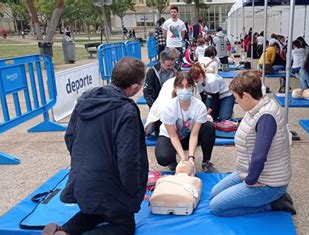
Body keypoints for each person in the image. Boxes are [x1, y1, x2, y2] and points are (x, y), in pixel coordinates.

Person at [42, 58, 148, 235]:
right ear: (135, 87)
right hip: (110, 183)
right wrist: (133, 190)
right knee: (123, 225)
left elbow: (69, 137)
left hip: (82, 180)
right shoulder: (126, 110)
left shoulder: (87, 99)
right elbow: (128, 159)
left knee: (94, 212)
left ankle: (64, 231)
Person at [209, 71, 295, 216]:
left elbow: (259, 156)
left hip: (268, 183)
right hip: (250, 171)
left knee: (216, 207)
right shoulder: (257, 106)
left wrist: (250, 181)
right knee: (214, 193)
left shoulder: (266, 117)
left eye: (237, 98)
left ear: (246, 96)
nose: (236, 102)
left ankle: (274, 203)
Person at [155, 72, 218, 173]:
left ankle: (206, 162)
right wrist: (183, 158)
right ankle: (173, 162)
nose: (184, 89)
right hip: (171, 137)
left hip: (188, 135)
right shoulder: (168, 107)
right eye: (181, 86)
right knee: (163, 157)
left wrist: (191, 157)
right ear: (175, 88)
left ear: (193, 88)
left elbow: (194, 135)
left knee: (209, 127)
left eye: (188, 86)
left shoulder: (200, 106)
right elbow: (173, 136)